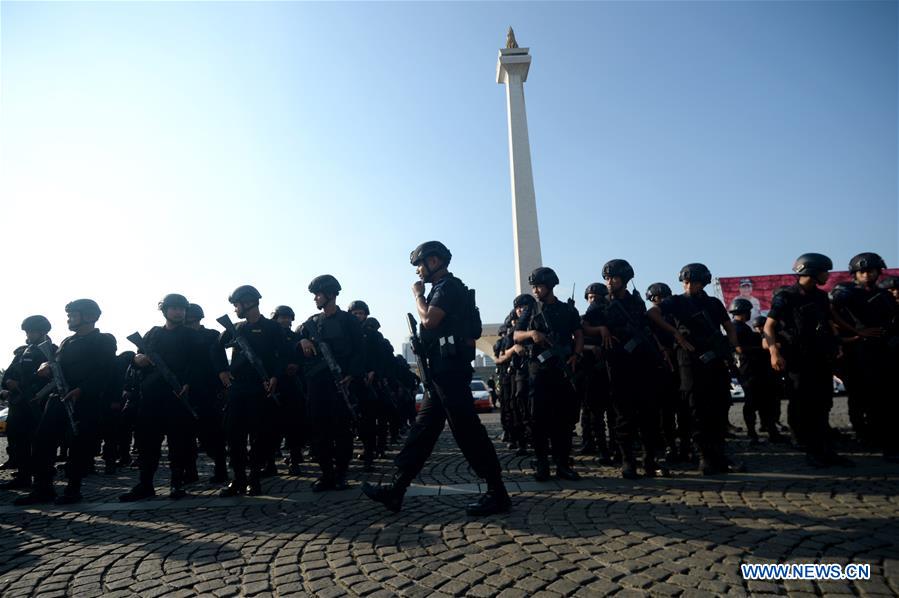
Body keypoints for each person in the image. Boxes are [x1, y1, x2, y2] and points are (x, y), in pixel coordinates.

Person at [363, 241, 510, 516]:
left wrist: (417, 296)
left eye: (420, 264)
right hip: (439, 373)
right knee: (423, 432)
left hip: (450, 373)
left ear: (434, 262)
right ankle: (397, 489)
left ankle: (497, 492)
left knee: (467, 431)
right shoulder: (443, 289)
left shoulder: (447, 288)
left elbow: (429, 321)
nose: (418, 271)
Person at [16, 299, 117, 505]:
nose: (69, 319)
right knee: (42, 441)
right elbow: (57, 363)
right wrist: (46, 366)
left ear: (88, 316)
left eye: (73, 314)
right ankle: (43, 487)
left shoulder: (104, 340)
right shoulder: (66, 342)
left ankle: (73, 489)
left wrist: (83, 389)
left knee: (79, 446)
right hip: (59, 398)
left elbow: (105, 371)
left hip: (84, 400)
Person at [647, 264, 739, 475]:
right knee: (695, 406)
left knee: (719, 406)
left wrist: (731, 348)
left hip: (715, 359)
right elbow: (653, 314)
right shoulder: (676, 301)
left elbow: (729, 327)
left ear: (703, 283)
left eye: (693, 282)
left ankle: (719, 454)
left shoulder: (713, 303)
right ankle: (704, 456)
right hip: (689, 359)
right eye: (685, 282)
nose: (688, 286)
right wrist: (675, 334)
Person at [763, 253, 853, 467]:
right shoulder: (786, 296)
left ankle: (825, 448)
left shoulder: (821, 297)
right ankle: (809, 448)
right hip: (797, 358)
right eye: (824, 271)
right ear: (811, 271)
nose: (827, 275)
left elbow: (830, 322)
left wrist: (842, 341)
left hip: (820, 356)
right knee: (803, 403)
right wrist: (774, 354)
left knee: (823, 402)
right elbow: (769, 326)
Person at [587, 261, 665, 478]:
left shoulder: (636, 303)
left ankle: (649, 459)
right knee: (624, 416)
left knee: (649, 414)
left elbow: (647, 327)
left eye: (613, 278)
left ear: (625, 279)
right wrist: (601, 329)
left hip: (643, 363)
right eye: (607, 278)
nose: (609, 282)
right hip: (618, 364)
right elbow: (582, 326)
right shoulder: (601, 304)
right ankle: (627, 461)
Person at [120, 293, 201, 501]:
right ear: (165, 310)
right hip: (151, 396)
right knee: (148, 444)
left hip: (177, 396)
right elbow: (138, 358)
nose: (179, 312)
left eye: (182, 309)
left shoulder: (191, 336)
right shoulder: (153, 334)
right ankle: (145, 484)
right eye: (174, 308)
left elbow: (198, 363)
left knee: (178, 443)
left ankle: (177, 484)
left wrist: (188, 383)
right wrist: (138, 359)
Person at [514, 266, 584, 481]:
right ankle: (542, 463)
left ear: (550, 286)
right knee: (539, 419)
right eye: (534, 287)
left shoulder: (567, 310)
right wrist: (532, 333)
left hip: (562, 370)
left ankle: (563, 464)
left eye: (539, 286)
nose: (535, 290)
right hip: (539, 371)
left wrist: (576, 355)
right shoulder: (531, 310)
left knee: (563, 421)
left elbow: (578, 333)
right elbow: (516, 335)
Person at [218, 285, 288, 497]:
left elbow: (283, 356)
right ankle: (237, 479)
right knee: (234, 435)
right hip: (238, 387)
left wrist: (276, 376)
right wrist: (222, 370)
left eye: (237, 305)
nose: (235, 309)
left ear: (248, 303)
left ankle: (254, 478)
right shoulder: (235, 328)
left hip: (262, 387)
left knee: (260, 436)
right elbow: (215, 349)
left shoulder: (272, 328)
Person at [297, 275, 364, 491]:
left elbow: (359, 351)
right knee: (319, 429)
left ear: (331, 295)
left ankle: (341, 473)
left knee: (341, 431)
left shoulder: (348, 321)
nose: (315, 299)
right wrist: (302, 340)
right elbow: (292, 343)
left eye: (318, 294)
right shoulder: (311, 323)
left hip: (341, 382)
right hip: (317, 383)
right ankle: (326, 473)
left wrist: (352, 375)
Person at [830, 253, 899, 462]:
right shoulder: (845, 292)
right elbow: (830, 312)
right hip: (857, 352)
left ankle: (884, 439)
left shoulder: (885, 295)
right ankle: (863, 433)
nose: (867, 275)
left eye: (871, 271)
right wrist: (855, 332)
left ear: (879, 272)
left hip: (884, 352)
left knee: (885, 399)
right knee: (859, 396)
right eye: (862, 271)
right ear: (855, 274)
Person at [0, 316, 55, 491]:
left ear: (42, 332)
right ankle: (23, 476)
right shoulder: (23, 351)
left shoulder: (50, 351)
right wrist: (8, 383)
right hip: (19, 403)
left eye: (31, 331)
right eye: (27, 331)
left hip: (38, 403)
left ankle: (42, 480)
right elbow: (8, 373)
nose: (28, 335)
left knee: (39, 443)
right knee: (18, 441)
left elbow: (51, 377)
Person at [184, 303, 230, 483]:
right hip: (186, 390)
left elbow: (220, 360)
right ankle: (190, 471)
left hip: (210, 390)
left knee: (212, 435)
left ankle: (220, 469)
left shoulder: (211, 335)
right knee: (186, 435)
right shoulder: (181, 337)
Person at [728, 298, 784, 444]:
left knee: (760, 402)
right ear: (745, 312)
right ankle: (754, 433)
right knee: (754, 402)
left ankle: (765, 431)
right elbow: (739, 349)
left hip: (751, 371)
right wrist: (763, 348)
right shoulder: (738, 329)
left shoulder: (740, 327)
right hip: (750, 371)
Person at [271, 305, 306, 475]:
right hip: (273, 383)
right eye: (281, 317)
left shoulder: (296, 337)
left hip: (293, 385)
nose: (285, 320)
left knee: (294, 425)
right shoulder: (269, 336)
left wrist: (297, 366)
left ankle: (294, 458)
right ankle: (269, 462)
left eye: (288, 317)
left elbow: (305, 359)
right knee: (271, 426)